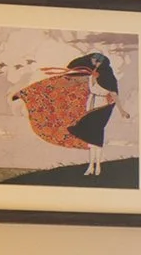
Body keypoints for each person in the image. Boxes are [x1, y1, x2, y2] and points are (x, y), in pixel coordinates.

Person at [15, 48, 122, 179]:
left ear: (99, 62)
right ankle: (92, 166)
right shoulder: (91, 75)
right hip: (90, 104)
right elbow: (67, 82)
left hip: (101, 107)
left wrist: (122, 110)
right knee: (91, 137)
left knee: (96, 136)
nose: (93, 63)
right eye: (93, 61)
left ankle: (97, 166)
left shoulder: (107, 76)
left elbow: (114, 94)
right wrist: (28, 92)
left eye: (95, 61)